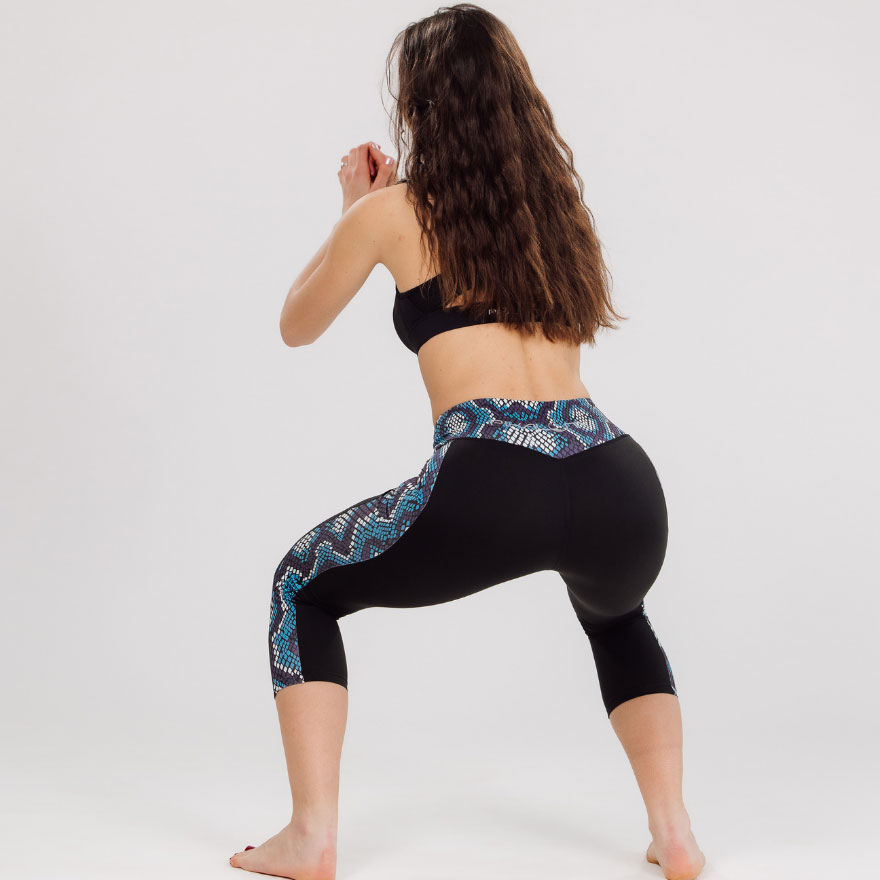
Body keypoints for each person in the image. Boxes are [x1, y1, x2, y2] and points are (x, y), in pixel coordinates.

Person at [230, 5, 706, 879]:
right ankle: (675, 835)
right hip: (619, 481)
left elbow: (297, 324)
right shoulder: (552, 218)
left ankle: (310, 836)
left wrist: (352, 212)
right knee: (619, 618)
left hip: (495, 477)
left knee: (301, 582)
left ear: (422, 105)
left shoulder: (393, 211)